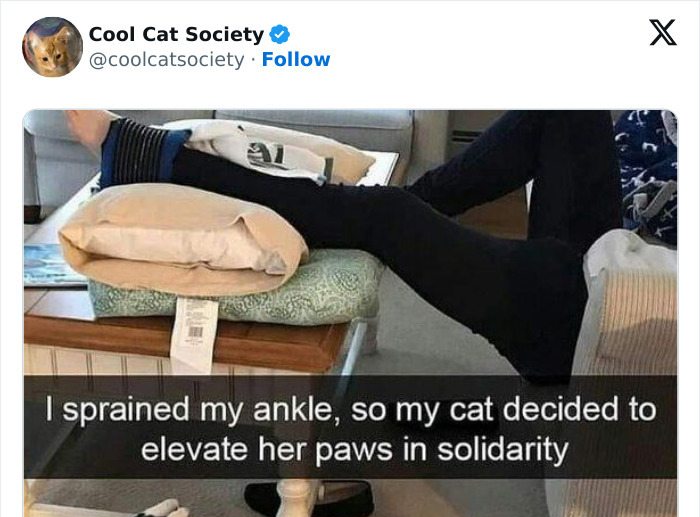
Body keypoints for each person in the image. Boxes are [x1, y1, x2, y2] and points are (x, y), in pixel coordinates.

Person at [65, 110, 622, 382]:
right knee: (570, 107)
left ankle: (145, 155)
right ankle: (386, 212)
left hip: (573, 309)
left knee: (386, 214)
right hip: (603, 260)